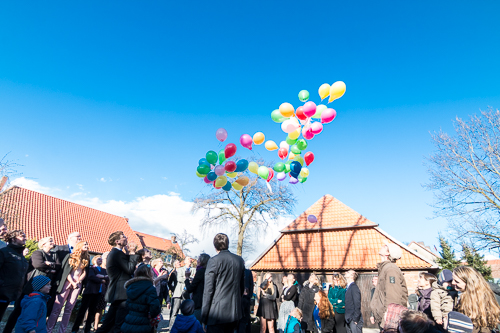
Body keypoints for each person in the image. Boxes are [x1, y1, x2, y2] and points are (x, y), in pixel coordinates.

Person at [3, 236, 60, 333]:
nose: (52, 242)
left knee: (39, 311)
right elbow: (38, 265)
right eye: (50, 241)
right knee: (18, 310)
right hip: (32, 285)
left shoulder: (54, 255)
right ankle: (8, 330)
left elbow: (58, 266)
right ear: (43, 244)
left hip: (46, 287)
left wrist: (48, 264)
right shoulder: (38, 253)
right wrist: (50, 268)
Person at [96, 231, 139, 333]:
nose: (126, 237)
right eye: (123, 237)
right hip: (121, 293)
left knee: (108, 323)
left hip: (118, 292)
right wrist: (132, 253)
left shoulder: (117, 253)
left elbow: (125, 266)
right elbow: (129, 269)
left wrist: (129, 253)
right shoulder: (117, 253)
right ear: (117, 241)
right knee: (118, 324)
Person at [201, 233, 245, 333]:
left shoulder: (213, 261)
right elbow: (242, 287)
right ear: (227, 244)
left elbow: (208, 290)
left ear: (215, 246)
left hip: (217, 314)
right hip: (234, 312)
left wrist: (204, 317)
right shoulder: (239, 260)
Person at [47, 240, 90, 333]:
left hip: (78, 283)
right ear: (79, 246)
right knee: (57, 308)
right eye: (85, 244)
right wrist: (72, 282)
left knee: (69, 308)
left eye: (87, 244)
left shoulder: (86, 258)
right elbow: (65, 271)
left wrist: (79, 281)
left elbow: (85, 272)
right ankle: (48, 329)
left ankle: (62, 331)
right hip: (66, 282)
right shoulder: (70, 256)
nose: (87, 245)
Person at [452, 266, 500, 333]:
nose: (452, 283)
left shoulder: (488, 298)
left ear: (469, 283)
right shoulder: (456, 295)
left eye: (457, 281)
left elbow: (484, 327)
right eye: (453, 279)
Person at [370, 243, 408, 327]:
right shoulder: (385, 268)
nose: (382, 246)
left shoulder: (390, 269)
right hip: (384, 318)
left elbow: (393, 297)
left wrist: (387, 320)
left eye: (385, 246)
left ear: (388, 253)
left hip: (388, 320)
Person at [71, 255, 109, 333]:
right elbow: (91, 277)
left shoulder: (104, 270)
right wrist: (101, 280)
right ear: (94, 260)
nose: (100, 260)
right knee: (82, 310)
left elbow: (108, 278)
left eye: (101, 259)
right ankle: (75, 328)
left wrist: (102, 276)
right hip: (90, 292)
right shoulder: (92, 268)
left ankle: (87, 329)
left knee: (92, 312)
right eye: (99, 259)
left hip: (99, 293)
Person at [121, 263, 161, 333]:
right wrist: (153, 316)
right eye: (151, 271)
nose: (152, 272)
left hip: (129, 320)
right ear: (148, 273)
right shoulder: (150, 288)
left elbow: (127, 304)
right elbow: (154, 307)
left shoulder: (131, 286)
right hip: (143, 322)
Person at [0, 230, 29, 321]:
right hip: (2, 291)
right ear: (13, 239)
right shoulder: (4, 252)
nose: (25, 238)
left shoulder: (20, 255)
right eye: (22, 236)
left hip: (12, 292)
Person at [169, 256, 192, 329]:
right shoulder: (181, 269)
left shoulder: (193, 269)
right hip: (178, 293)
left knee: (184, 312)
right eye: (188, 259)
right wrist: (188, 279)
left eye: (190, 259)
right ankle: (171, 328)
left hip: (187, 293)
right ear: (185, 262)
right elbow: (179, 279)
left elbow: (193, 279)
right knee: (175, 312)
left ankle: (182, 328)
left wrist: (186, 278)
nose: (190, 260)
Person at [185, 253, 210, 322]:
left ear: (202, 261)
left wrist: (187, 278)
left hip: (198, 302)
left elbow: (190, 289)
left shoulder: (200, 272)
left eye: (198, 259)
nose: (197, 261)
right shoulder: (209, 272)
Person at [94, 251, 110, 331]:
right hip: (95, 290)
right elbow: (94, 276)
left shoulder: (109, 269)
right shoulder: (97, 268)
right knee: (92, 308)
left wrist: (103, 277)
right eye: (107, 257)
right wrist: (104, 277)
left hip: (105, 291)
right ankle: (87, 323)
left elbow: (110, 278)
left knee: (100, 308)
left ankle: (96, 326)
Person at [239, 265, 254, 333]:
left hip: (245, 298)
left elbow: (251, 284)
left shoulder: (247, 272)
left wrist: (249, 295)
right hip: (241, 298)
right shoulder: (244, 272)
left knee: (245, 319)